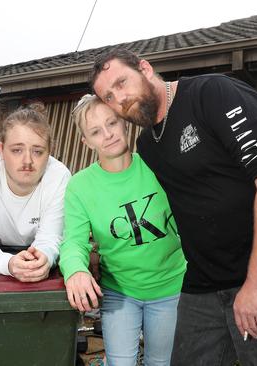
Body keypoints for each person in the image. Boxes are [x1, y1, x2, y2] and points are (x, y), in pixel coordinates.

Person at [90, 48, 257, 365]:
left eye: (122, 82)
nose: (119, 98)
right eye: (108, 96)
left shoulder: (213, 93)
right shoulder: (147, 145)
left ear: (145, 69)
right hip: (204, 286)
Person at [60, 94, 186, 366]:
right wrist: (76, 270)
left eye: (112, 123)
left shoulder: (157, 165)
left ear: (125, 123)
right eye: (95, 131)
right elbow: (73, 242)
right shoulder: (80, 187)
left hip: (170, 287)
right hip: (120, 293)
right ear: (86, 141)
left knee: (161, 363)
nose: (107, 134)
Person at [0, 103, 71, 282]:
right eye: (17, 150)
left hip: (33, 252)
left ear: (50, 152)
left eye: (37, 151)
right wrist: (8, 263)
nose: (27, 160)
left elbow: (50, 237)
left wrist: (43, 258)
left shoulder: (59, 176)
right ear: (1, 150)